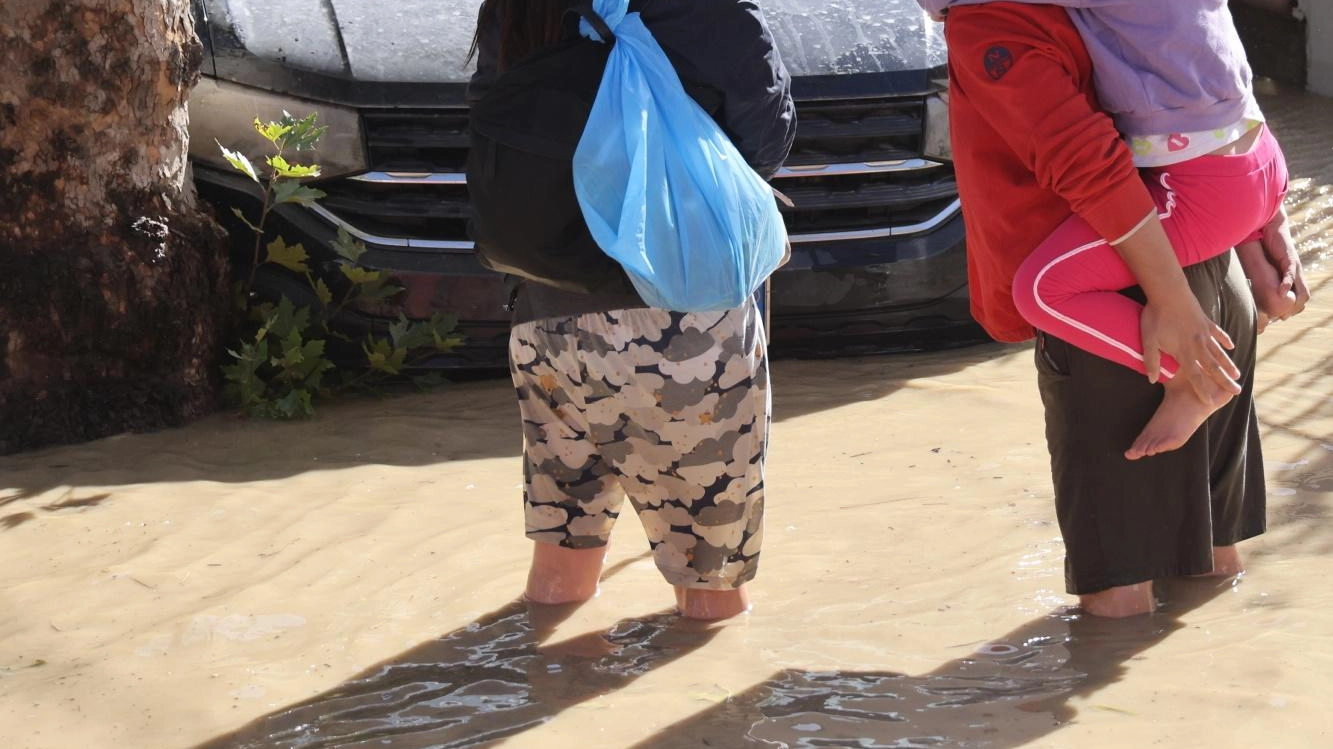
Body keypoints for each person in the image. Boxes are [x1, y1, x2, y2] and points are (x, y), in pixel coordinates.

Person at [919, 1, 1310, 616]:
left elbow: (1090, 166)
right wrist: (1260, 221)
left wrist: (1174, 307)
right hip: (1210, 272)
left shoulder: (992, 19)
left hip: (1129, 315)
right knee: (1214, 569)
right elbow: (1205, 72)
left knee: (1117, 612)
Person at [468, 0, 796, 620]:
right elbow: (765, 142)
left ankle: (541, 685)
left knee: (560, 567)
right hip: (683, 329)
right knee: (710, 592)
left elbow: (496, 123)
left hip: (545, 324)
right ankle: (712, 716)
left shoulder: (513, 6)